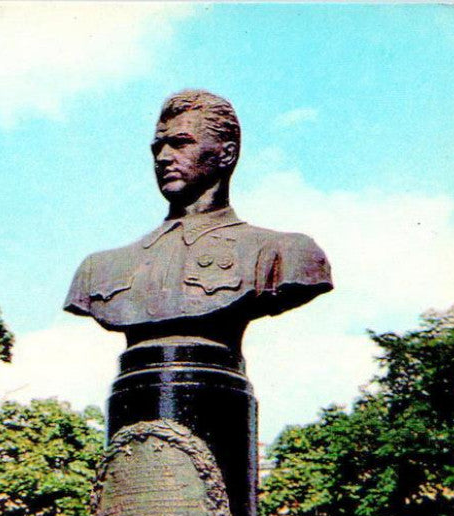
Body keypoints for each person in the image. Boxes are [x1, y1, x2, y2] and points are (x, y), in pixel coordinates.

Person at [65, 89, 332, 360]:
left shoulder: (281, 253)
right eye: (158, 147)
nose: (163, 158)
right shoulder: (98, 268)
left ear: (226, 154)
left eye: (181, 143)